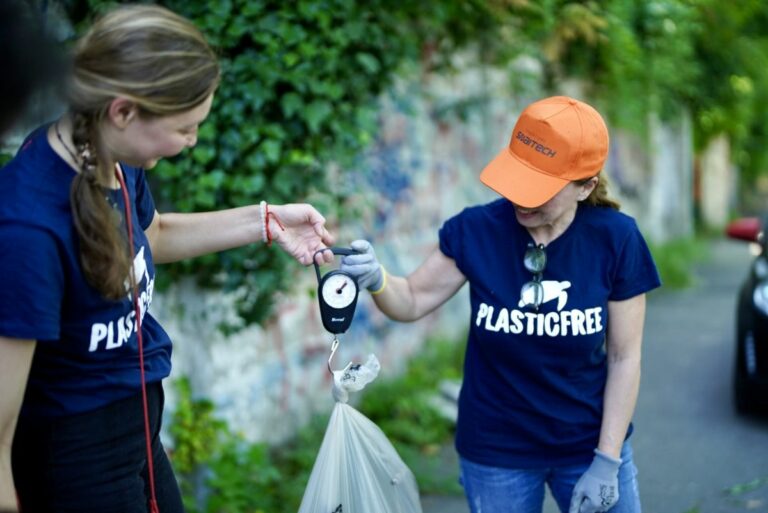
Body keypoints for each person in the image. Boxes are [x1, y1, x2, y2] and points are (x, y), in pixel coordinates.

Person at [0, 5, 334, 513]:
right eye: (186, 127)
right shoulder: (27, 228)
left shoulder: (109, 155)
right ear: (123, 110)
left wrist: (264, 221)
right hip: (75, 460)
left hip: (139, 432)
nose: (194, 140)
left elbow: (150, 237)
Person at [341, 96, 661, 513]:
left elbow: (624, 357)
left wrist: (607, 459)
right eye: (519, 178)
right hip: (496, 450)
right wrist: (377, 278)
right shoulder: (477, 229)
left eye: (540, 188)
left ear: (585, 186)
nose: (522, 200)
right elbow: (413, 299)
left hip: (589, 444)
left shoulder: (615, 239)